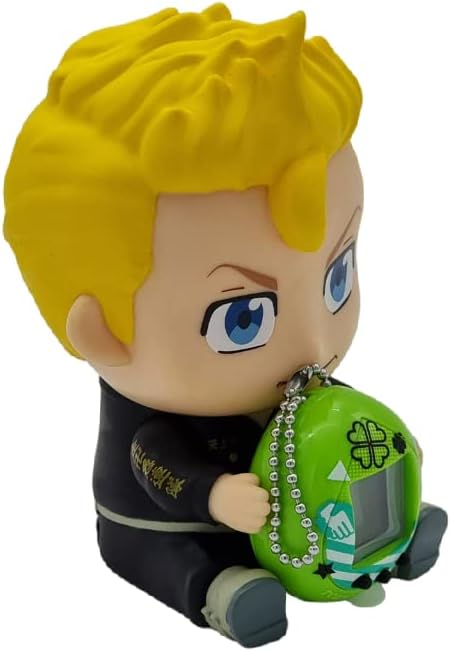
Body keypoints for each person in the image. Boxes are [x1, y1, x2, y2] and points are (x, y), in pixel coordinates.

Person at [3, 4, 446, 647]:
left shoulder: (297, 376)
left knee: (349, 499)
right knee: (182, 559)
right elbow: (156, 464)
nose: (314, 346)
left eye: (336, 278)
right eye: (243, 318)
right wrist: (214, 497)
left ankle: (388, 534)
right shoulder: (158, 425)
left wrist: (385, 443)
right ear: (104, 334)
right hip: (169, 525)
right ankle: (220, 594)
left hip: (290, 512)